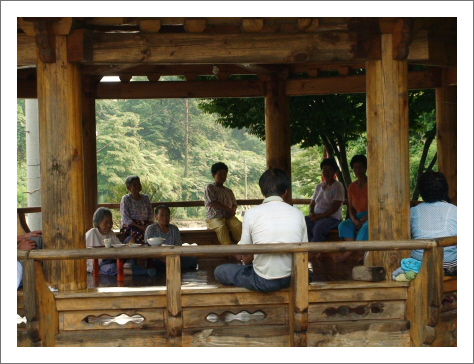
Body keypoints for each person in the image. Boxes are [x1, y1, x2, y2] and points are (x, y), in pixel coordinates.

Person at [214, 168, 308, 292]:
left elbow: (246, 255)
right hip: (292, 279)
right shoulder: (298, 214)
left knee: (220, 271)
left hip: (263, 281)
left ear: (262, 190)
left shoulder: (251, 214)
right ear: (286, 191)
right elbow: (305, 251)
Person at [410, 171, 457, 276]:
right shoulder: (454, 210)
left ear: (421, 190)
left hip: (418, 266)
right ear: (445, 189)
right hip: (449, 266)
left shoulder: (413, 211)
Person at [86, 207, 156, 276]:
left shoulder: (110, 233)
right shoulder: (92, 233)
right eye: (106, 222)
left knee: (130, 239)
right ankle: (143, 272)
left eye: (111, 222)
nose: (109, 225)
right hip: (98, 265)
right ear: (98, 222)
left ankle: (134, 265)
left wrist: (129, 244)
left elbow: (120, 247)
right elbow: (86, 256)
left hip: (112, 259)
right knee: (112, 267)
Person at [335, 155, 368, 263]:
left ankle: (350, 253)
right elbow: (351, 207)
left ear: (365, 168)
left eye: (360, 167)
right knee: (343, 225)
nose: (357, 170)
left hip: (371, 215)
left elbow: (375, 206)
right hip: (357, 216)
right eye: (355, 167)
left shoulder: (372, 184)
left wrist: (363, 220)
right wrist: (354, 220)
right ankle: (357, 253)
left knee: (366, 227)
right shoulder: (351, 186)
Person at [145, 205, 198, 270]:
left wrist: (172, 257)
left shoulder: (174, 229)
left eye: (167, 215)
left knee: (193, 259)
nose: (165, 218)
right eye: (162, 215)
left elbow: (179, 246)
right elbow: (148, 248)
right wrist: (162, 258)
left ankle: (172, 266)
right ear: (156, 216)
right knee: (154, 264)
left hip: (174, 257)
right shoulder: (151, 229)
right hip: (157, 258)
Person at [306, 158, 345, 244]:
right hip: (317, 216)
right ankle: (307, 248)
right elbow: (312, 203)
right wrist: (312, 214)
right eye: (324, 170)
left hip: (332, 218)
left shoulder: (338, 186)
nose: (326, 173)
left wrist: (321, 216)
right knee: (304, 223)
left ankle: (315, 251)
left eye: (329, 170)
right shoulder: (319, 186)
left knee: (318, 228)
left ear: (334, 172)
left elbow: (335, 207)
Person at [204, 162, 242, 245]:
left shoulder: (228, 190)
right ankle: (229, 250)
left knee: (238, 225)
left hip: (229, 217)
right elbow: (212, 203)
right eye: (220, 174)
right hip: (214, 218)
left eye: (224, 174)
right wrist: (228, 209)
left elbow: (234, 203)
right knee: (221, 227)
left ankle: (241, 245)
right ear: (213, 175)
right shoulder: (210, 187)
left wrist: (232, 211)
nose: (223, 177)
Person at [120, 175, 154, 245]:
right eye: (134, 185)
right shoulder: (126, 199)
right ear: (128, 187)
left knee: (155, 234)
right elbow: (125, 218)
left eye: (138, 183)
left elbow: (151, 214)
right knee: (138, 235)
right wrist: (141, 227)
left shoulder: (145, 198)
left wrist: (148, 225)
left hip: (145, 225)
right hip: (131, 226)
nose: (137, 186)